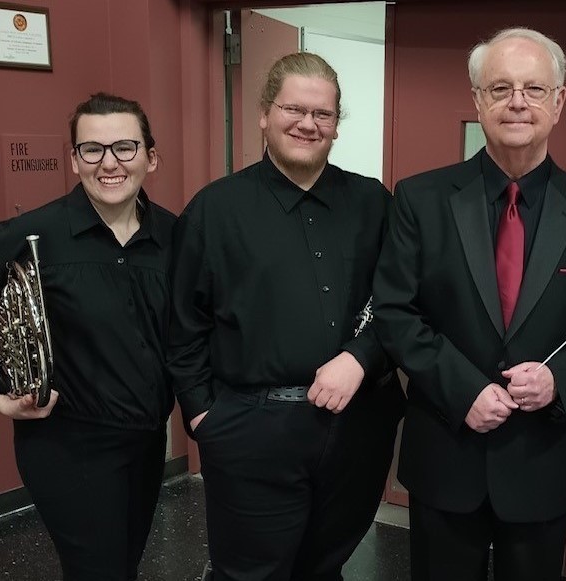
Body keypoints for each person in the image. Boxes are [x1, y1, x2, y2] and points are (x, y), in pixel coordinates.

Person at [372, 28, 566, 581]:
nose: (518, 102)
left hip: (541, 463)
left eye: (534, 89)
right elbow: (395, 311)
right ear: (478, 100)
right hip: (446, 453)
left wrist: (559, 380)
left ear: (558, 102)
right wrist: (462, 389)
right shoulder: (420, 199)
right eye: (500, 88)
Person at [167, 52, 405, 581]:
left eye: (322, 114)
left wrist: (361, 357)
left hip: (357, 429)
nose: (307, 124)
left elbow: (401, 303)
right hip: (252, 429)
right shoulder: (214, 210)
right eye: (293, 109)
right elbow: (184, 325)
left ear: (336, 124)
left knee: (325, 567)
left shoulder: (373, 202)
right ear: (264, 114)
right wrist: (204, 415)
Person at [0, 93, 175, 581]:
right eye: (92, 149)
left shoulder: (176, 235)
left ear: (151, 157)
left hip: (148, 439)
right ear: (74, 160)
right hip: (69, 445)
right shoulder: (28, 235)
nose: (109, 163)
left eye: (125, 147)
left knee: (122, 564)